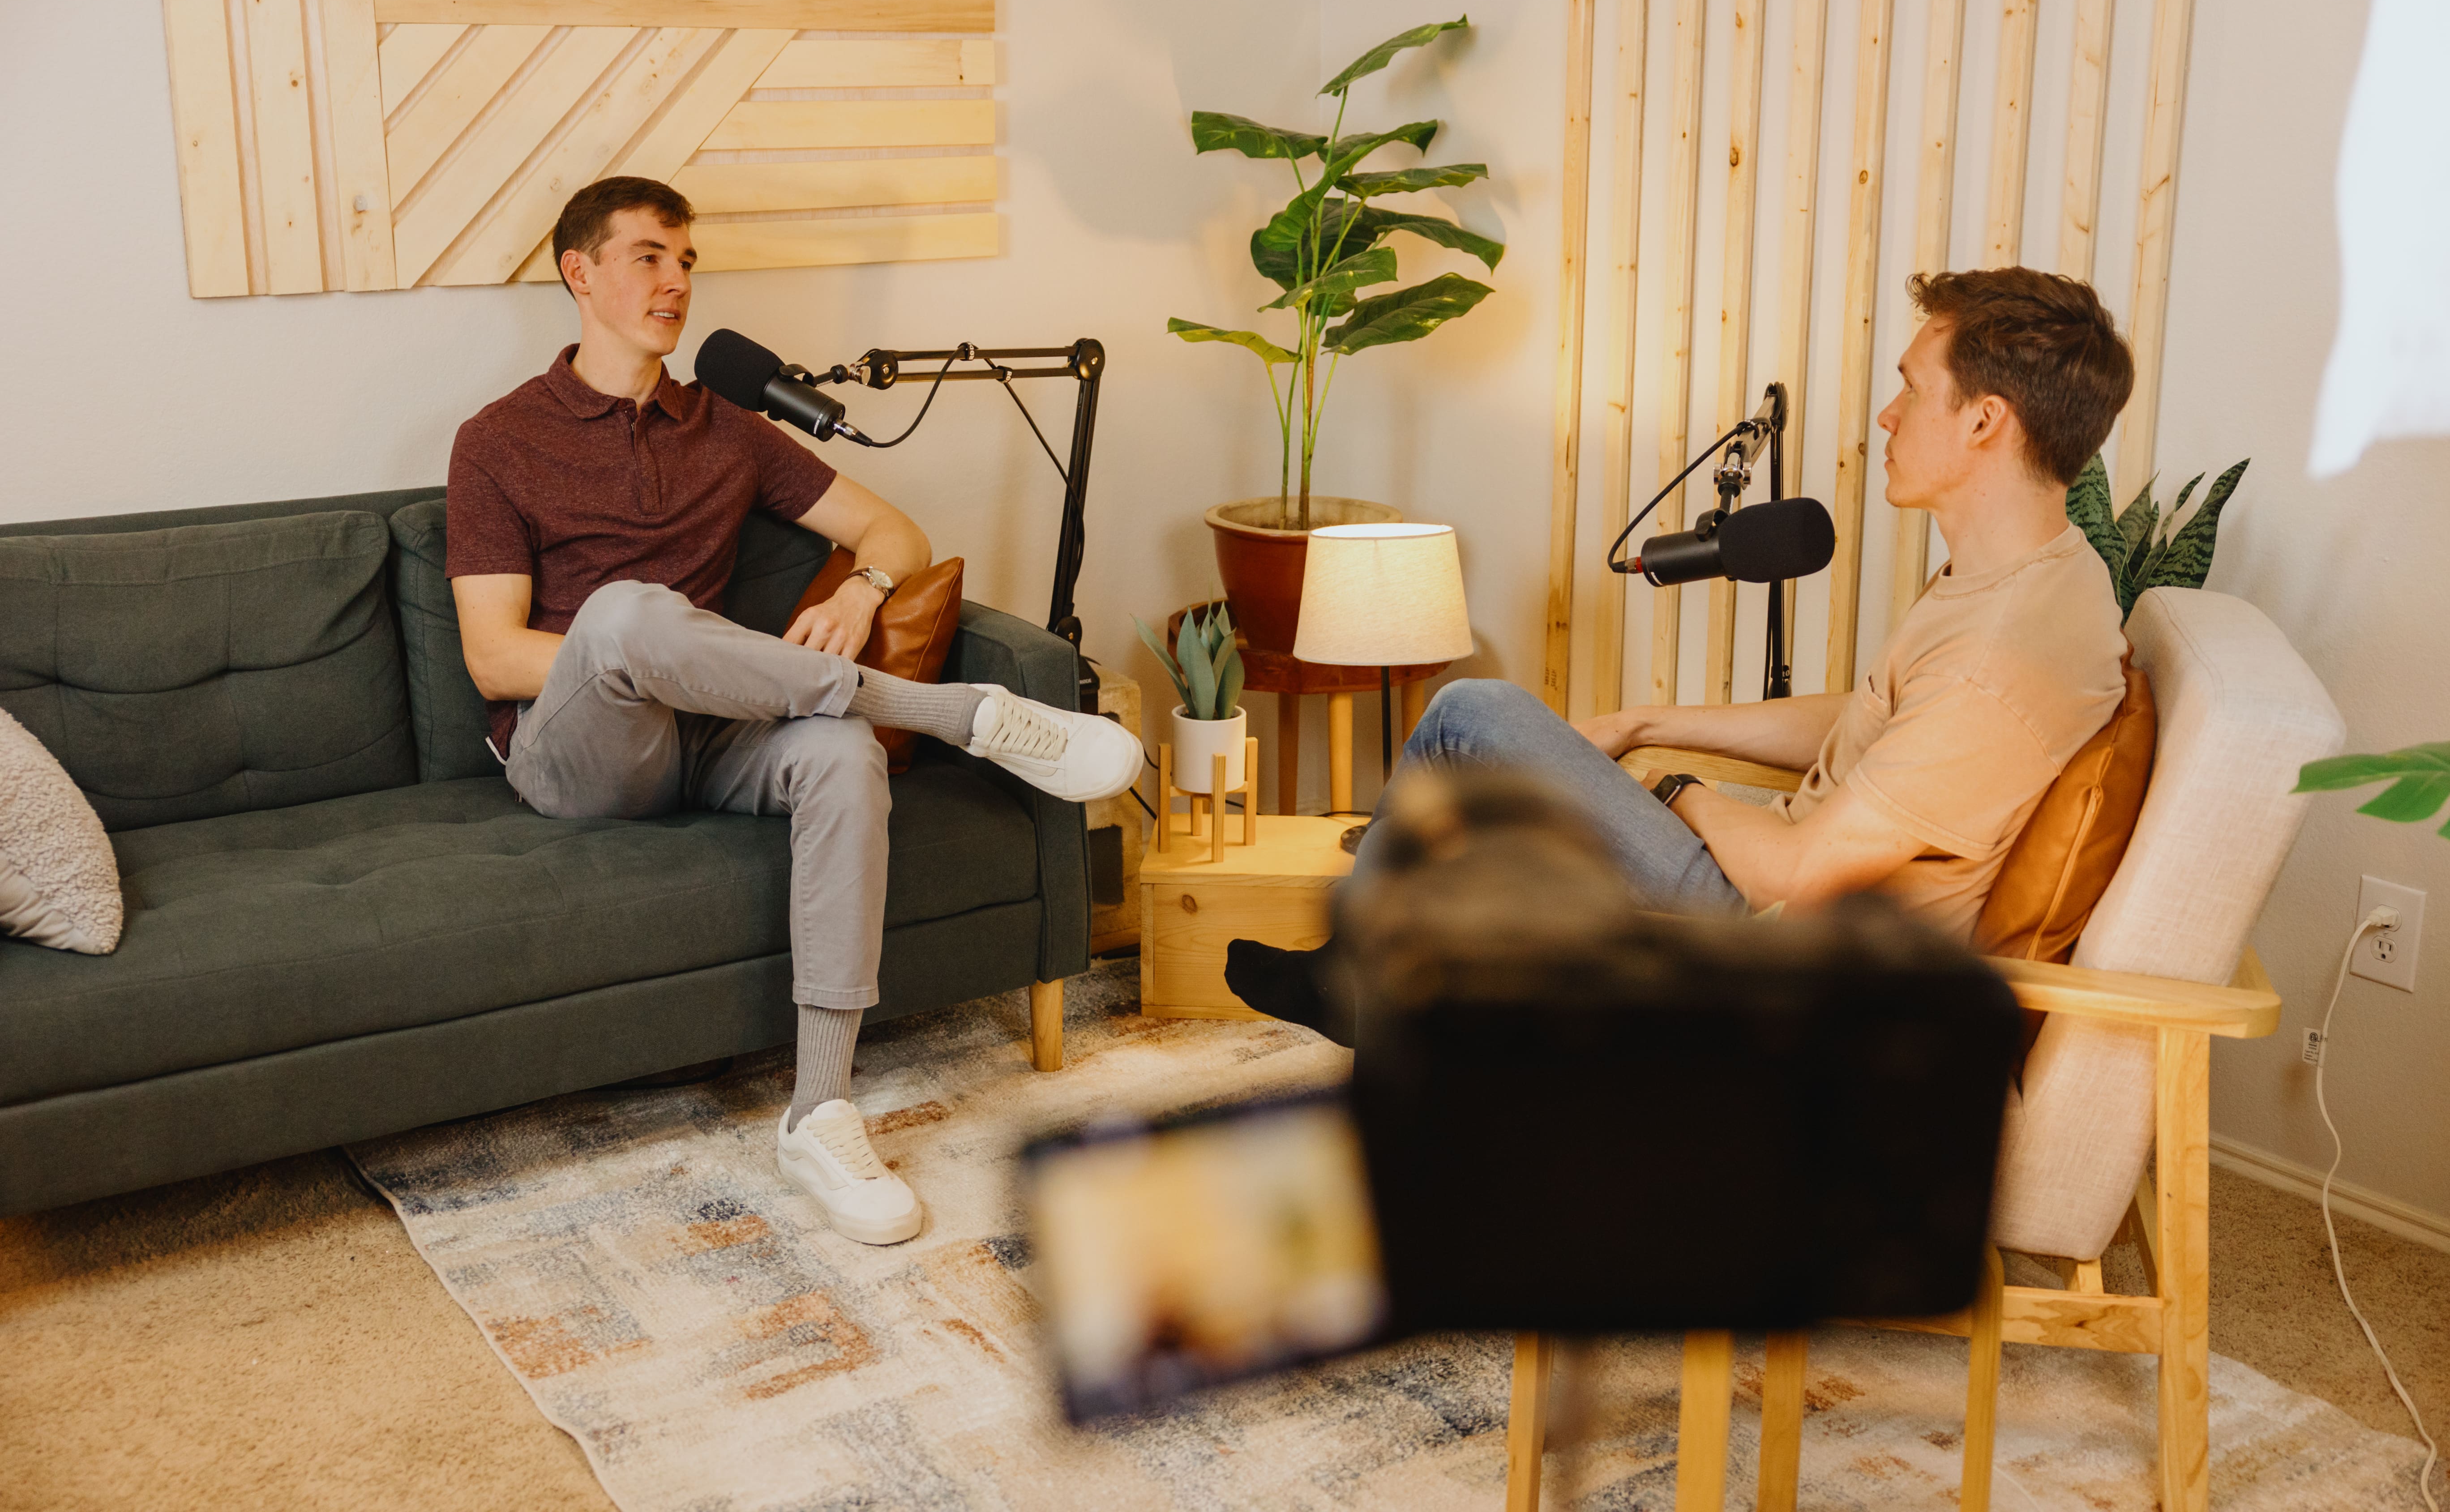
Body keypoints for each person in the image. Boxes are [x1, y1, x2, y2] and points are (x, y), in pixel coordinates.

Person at [445, 176, 1139, 1245]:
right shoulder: (499, 438)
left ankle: (820, 1110)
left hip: (712, 734)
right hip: (577, 752)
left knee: (842, 752)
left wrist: (863, 593)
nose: (676, 281)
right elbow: (494, 658)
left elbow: (894, 533)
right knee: (628, 617)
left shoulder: (725, 429)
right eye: (648, 258)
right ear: (579, 274)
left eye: (686, 260)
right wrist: (640, 654)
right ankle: (960, 715)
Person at [1229, 267, 2133, 1040]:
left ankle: (1360, 969)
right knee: (1499, 783)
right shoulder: (2037, 577)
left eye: (1911, 388)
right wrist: (1646, 720)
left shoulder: (1999, 661)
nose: (1888, 416)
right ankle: (1373, 970)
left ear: (1985, 421)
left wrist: (1663, 788)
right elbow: (1877, 716)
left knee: (1474, 718)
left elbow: (1800, 869)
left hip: (1787, 950)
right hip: (1796, 911)